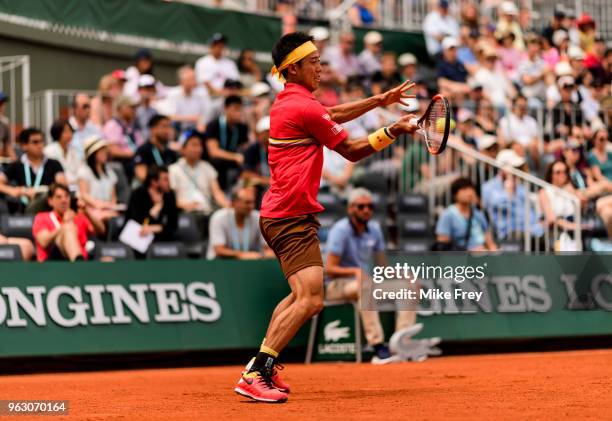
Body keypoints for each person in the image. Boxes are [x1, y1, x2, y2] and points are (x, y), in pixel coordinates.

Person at [234, 31, 418, 403]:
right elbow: (350, 149)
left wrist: (381, 100)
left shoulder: (292, 102)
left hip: (280, 214)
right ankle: (256, 372)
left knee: (299, 295)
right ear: (294, 67)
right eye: (314, 61)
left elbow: (330, 114)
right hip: (290, 218)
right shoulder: (303, 107)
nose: (321, 66)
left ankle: (262, 367)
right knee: (312, 300)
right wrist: (392, 130)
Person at [324, 188, 418, 363]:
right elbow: (329, 268)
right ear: (351, 209)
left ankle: (401, 343)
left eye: (370, 206)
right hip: (336, 286)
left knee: (410, 286)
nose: (366, 210)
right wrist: (354, 271)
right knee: (365, 286)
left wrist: (401, 274)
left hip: (364, 283)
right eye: (361, 206)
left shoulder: (374, 229)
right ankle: (377, 346)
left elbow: (382, 265)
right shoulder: (340, 230)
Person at [169, 130, 229, 237]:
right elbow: (170, 198)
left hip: (206, 211)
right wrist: (184, 205)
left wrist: (228, 207)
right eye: (194, 145)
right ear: (183, 149)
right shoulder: (173, 169)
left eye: (200, 145)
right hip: (185, 212)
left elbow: (217, 192)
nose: (199, 149)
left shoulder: (207, 167)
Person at [32, 183, 105, 262]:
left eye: (66, 196)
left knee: (107, 260)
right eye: (58, 197)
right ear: (50, 201)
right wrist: (64, 223)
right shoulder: (42, 217)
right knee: (68, 227)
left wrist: (87, 212)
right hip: (52, 262)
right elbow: (44, 242)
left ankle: (79, 262)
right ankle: (78, 263)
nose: (64, 200)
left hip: (80, 259)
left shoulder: (78, 217)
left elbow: (101, 230)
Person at [0, 128, 67, 214]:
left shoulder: (54, 164)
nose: (40, 145)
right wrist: (16, 191)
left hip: (48, 208)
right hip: (23, 207)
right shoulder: (17, 165)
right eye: (35, 142)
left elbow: (63, 186)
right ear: (24, 146)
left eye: (42, 141)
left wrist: (46, 191)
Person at [206, 185, 272, 259]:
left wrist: (263, 255)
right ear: (234, 203)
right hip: (220, 263)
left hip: (250, 263)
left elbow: (268, 249)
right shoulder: (218, 218)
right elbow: (219, 250)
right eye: (247, 202)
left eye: (253, 202)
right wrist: (241, 255)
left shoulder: (259, 218)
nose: (251, 206)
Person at [436, 178, 498, 251]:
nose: (469, 193)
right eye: (464, 189)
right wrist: (467, 252)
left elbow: (489, 242)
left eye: (471, 189)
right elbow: (442, 246)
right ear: (455, 194)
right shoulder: (448, 215)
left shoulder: (478, 214)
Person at [204, 95, 249, 191]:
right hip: (215, 162)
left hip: (233, 161)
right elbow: (213, 152)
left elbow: (244, 148)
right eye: (235, 109)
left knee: (247, 165)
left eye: (240, 109)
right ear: (226, 109)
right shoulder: (214, 125)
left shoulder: (242, 127)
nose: (239, 113)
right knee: (218, 163)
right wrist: (234, 156)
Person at [124, 166, 178, 244]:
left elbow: (173, 224)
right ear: (154, 181)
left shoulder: (169, 195)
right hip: (137, 238)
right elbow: (136, 222)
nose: (169, 182)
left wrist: (154, 228)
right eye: (165, 179)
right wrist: (153, 212)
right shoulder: (138, 194)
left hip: (161, 237)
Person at [77, 136, 119, 223]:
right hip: (91, 210)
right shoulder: (84, 171)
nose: (105, 153)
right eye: (101, 151)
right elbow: (84, 194)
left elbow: (113, 196)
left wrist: (112, 206)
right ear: (93, 154)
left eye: (105, 150)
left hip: (108, 209)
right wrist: (99, 205)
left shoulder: (109, 172)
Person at [104, 95, 143, 180]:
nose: (134, 110)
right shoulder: (112, 125)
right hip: (121, 163)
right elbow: (113, 151)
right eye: (131, 107)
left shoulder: (134, 126)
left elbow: (141, 145)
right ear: (120, 108)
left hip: (136, 161)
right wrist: (134, 154)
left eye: (135, 108)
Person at [164, 65, 211, 133]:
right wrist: (193, 118)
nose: (193, 82)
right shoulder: (173, 94)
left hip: (198, 129)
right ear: (181, 81)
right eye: (190, 79)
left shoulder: (202, 93)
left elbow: (208, 114)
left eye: (194, 79)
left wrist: (201, 123)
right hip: (178, 129)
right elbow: (170, 116)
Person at [497, 95, 540, 168]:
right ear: (513, 106)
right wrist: (519, 146)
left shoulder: (531, 121)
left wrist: (527, 147)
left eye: (524, 106)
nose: (522, 108)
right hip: (513, 150)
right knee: (517, 148)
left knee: (535, 148)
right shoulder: (505, 121)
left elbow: (535, 139)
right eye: (520, 105)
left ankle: (536, 171)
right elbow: (504, 141)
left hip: (529, 150)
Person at [133, 115, 178, 183]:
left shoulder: (170, 152)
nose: (167, 131)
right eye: (164, 126)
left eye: (169, 127)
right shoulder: (143, 150)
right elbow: (142, 175)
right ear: (153, 129)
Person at [44, 119, 82, 189]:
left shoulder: (74, 151)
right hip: (56, 188)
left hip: (75, 187)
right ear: (57, 133)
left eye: (71, 131)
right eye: (65, 131)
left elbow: (79, 172)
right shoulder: (49, 151)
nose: (69, 134)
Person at [69, 93, 102, 158]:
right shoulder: (67, 128)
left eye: (89, 106)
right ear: (75, 108)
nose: (88, 110)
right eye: (85, 106)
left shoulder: (94, 128)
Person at [242, 116, 271, 186]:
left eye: (269, 132)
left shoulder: (280, 150)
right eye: (266, 132)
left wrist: (262, 180)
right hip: (258, 186)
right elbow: (246, 174)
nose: (268, 135)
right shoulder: (252, 150)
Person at [135, 75, 159, 142]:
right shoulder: (133, 109)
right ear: (139, 90)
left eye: (152, 88)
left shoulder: (155, 110)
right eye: (146, 88)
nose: (149, 91)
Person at [0, 91, 16, 160]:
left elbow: (8, 146)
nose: (2, 107)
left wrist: (17, 163)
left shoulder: (4, 123)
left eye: (2, 103)